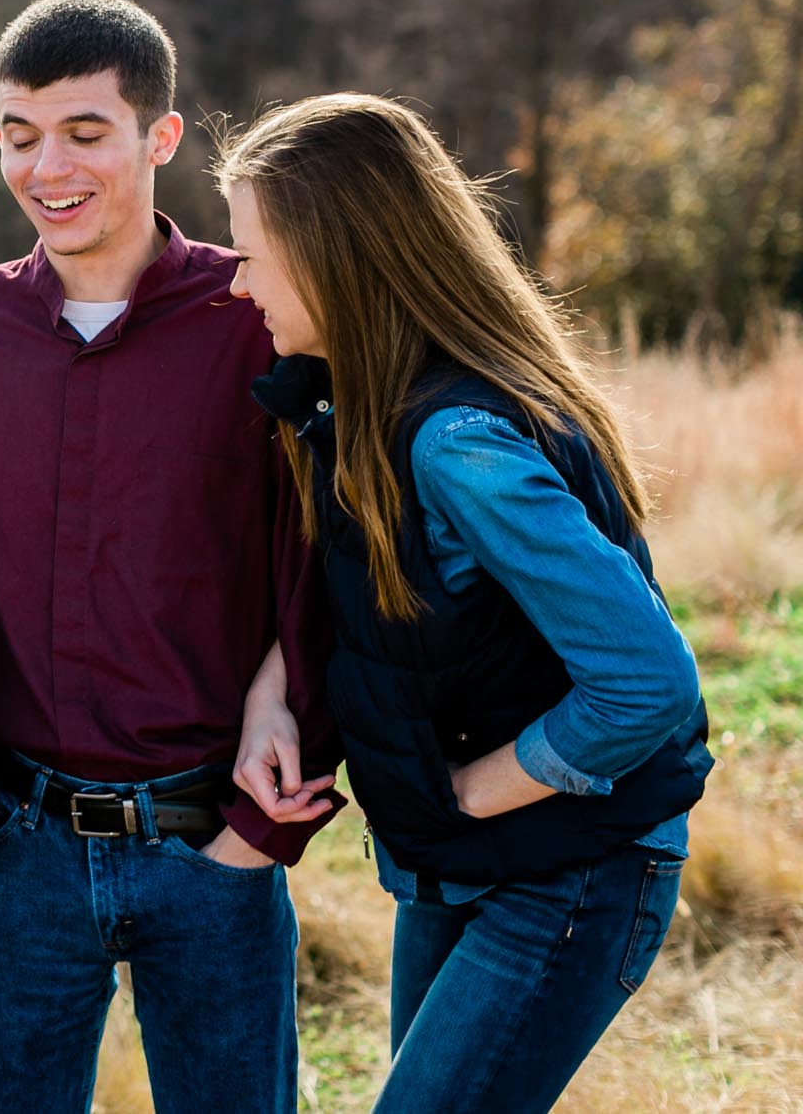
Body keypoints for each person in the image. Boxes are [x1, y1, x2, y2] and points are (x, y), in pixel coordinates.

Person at [0, 0, 340, 1114]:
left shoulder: (258, 321)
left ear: (159, 138)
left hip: (216, 848)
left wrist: (253, 824)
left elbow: (331, 551)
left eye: (85, 133)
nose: (48, 167)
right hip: (17, 853)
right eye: (17, 134)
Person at [219, 91, 713, 1114]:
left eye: (251, 254)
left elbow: (644, 682)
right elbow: (364, 603)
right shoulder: (347, 405)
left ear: (334, 257)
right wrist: (274, 690)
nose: (235, 282)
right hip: (456, 867)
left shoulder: (454, 444)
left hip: (569, 872)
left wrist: (479, 786)